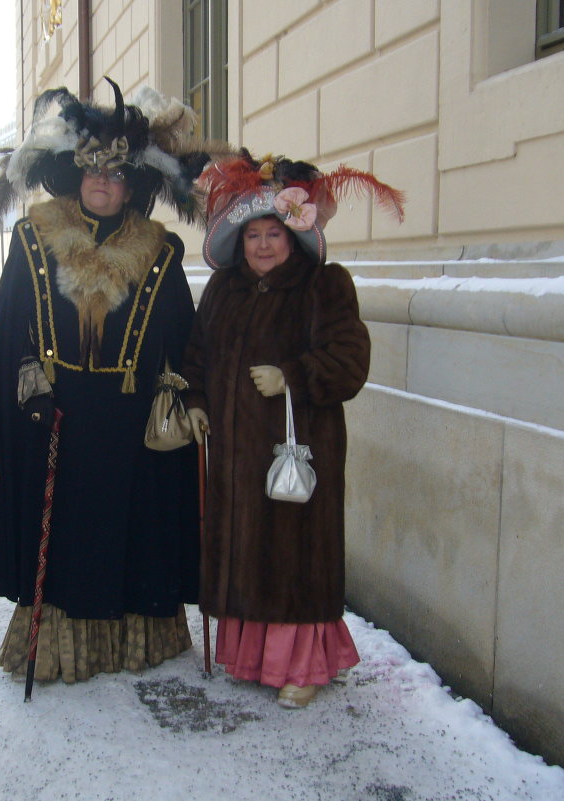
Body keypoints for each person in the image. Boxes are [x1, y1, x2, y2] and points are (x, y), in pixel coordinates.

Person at [0, 79, 210, 683]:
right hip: (56, 416)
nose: (105, 182)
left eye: (118, 174)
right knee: (64, 535)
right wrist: (29, 387)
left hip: (132, 424)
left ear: (135, 185)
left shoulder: (162, 250)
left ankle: (134, 642)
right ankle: (56, 647)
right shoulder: (33, 238)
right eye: (94, 170)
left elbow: (182, 336)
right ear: (75, 175)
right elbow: (12, 328)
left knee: (132, 530)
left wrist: (190, 395)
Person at [182, 152, 403, 708]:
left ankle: (303, 665)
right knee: (246, 553)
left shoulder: (324, 286)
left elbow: (350, 360)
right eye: (252, 234)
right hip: (233, 456)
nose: (262, 245)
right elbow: (195, 355)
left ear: (293, 234)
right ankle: (252, 656)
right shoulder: (222, 289)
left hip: (295, 451)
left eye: (273, 233)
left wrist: (292, 376)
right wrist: (195, 400)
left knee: (292, 556)